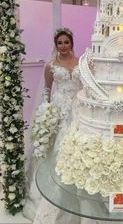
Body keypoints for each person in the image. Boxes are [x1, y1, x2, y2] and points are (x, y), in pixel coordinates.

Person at [23, 27, 81, 223]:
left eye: (66, 42)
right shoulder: (50, 65)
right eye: (60, 43)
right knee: (56, 149)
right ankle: (51, 192)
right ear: (56, 45)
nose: (63, 46)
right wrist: (46, 115)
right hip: (58, 110)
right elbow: (47, 91)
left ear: (71, 43)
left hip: (78, 109)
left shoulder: (82, 62)